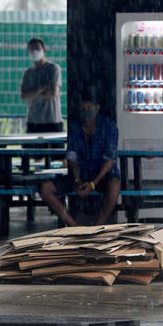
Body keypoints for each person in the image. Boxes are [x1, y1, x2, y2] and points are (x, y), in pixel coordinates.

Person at [38, 90, 121, 227]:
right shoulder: (75, 127)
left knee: (115, 184)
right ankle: (75, 227)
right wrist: (77, 179)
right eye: (83, 107)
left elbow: (110, 159)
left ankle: (97, 227)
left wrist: (93, 183)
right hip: (80, 176)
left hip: (102, 177)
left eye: (89, 107)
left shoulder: (108, 126)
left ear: (97, 107)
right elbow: (72, 156)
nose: (85, 110)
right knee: (44, 188)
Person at [20, 38, 63, 134]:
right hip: (33, 121)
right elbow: (23, 96)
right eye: (31, 49)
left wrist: (31, 93)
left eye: (37, 48)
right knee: (30, 149)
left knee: (54, 149)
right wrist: (41, 88)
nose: (34, 51)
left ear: (44, 50)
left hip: (52, 120)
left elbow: (52, 93)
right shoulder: (28, 73)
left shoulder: (53, 69)